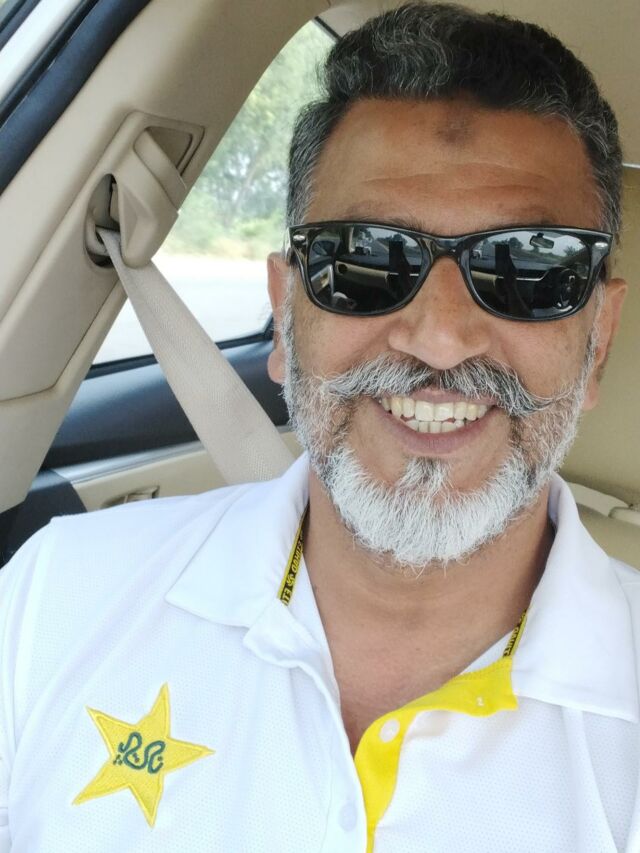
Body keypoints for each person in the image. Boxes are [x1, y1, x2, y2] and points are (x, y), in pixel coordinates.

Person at [0, 3, 637, 851]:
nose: (440, 338)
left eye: (529, 267)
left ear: (598, 343)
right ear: (284, 314)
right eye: (366, 258)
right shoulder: (54, 599)